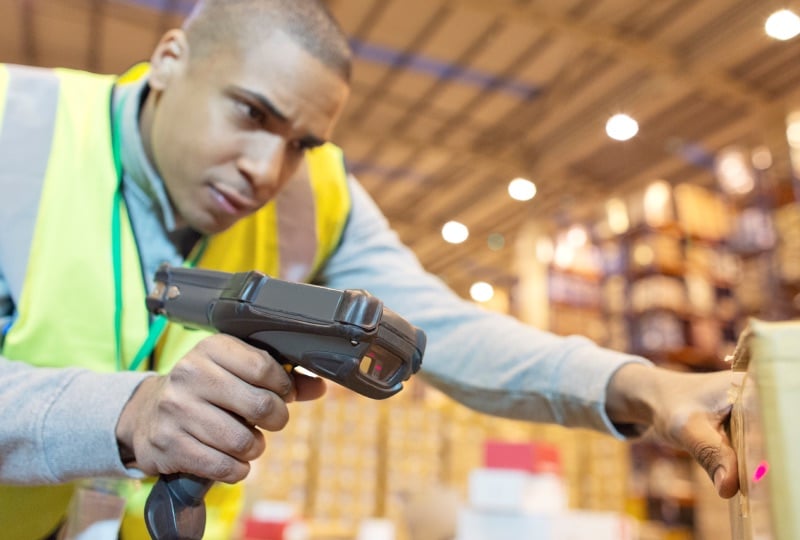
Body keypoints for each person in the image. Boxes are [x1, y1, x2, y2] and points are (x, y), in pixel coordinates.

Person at [0, 0, 739, 538]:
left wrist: (641, 384)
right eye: (252, 114)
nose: (268, 171)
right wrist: (125, 413)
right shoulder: (14, 124)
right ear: (169, 59)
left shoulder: (314, 197)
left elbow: (445, 330)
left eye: (303, 143)